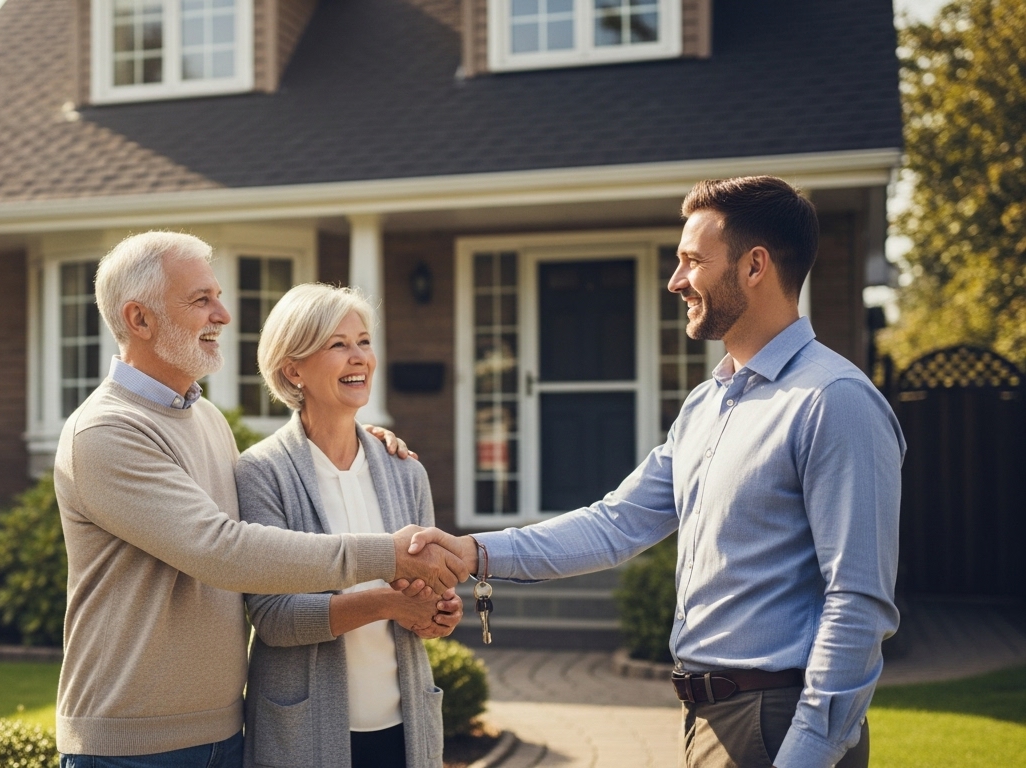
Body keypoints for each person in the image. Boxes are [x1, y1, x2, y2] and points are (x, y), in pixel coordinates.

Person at [413, 176, 905, 768]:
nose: (675, 280)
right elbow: (615, 524)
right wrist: (474, 552)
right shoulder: (707, 405)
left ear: (755, 266)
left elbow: (856, 601)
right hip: (708, 720)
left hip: (777, 723)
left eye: (693, 260)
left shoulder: (834, 400)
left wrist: (809, 750)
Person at [53, 231, 468, 768]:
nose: (223, 315)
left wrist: (365, 441)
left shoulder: (205, 420)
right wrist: (388, 557)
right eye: (201, 299)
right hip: (132, 746)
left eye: (218, 297)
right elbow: (222, 550)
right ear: (140, 319)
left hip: (223, 732)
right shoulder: (106, 431)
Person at [237, 284, 459, 768]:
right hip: (305, 733)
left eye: (364, 342)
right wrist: (389, 603)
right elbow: (274, 619)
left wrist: (438, 613)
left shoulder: (406, 471)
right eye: (338, 344)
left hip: (406, 729)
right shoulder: (261, 473)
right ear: (293, 369)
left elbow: (429, 596)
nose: (359, 357)